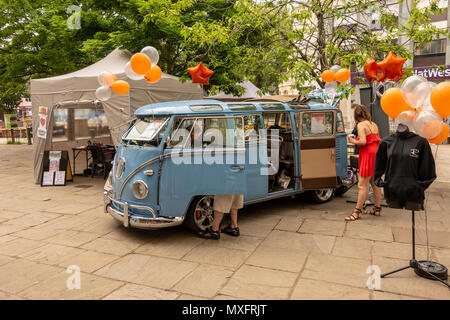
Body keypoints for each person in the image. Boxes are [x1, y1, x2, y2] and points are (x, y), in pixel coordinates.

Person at [345, 104, 382, 221]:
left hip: (368, 155)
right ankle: (377, 209)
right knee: (374, 183)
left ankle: (357, 212)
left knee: (362, 185)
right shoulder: (373, 124)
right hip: (377, 154)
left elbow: (362, 142)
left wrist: (352, 140)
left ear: (356, 115)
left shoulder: (361, 125)